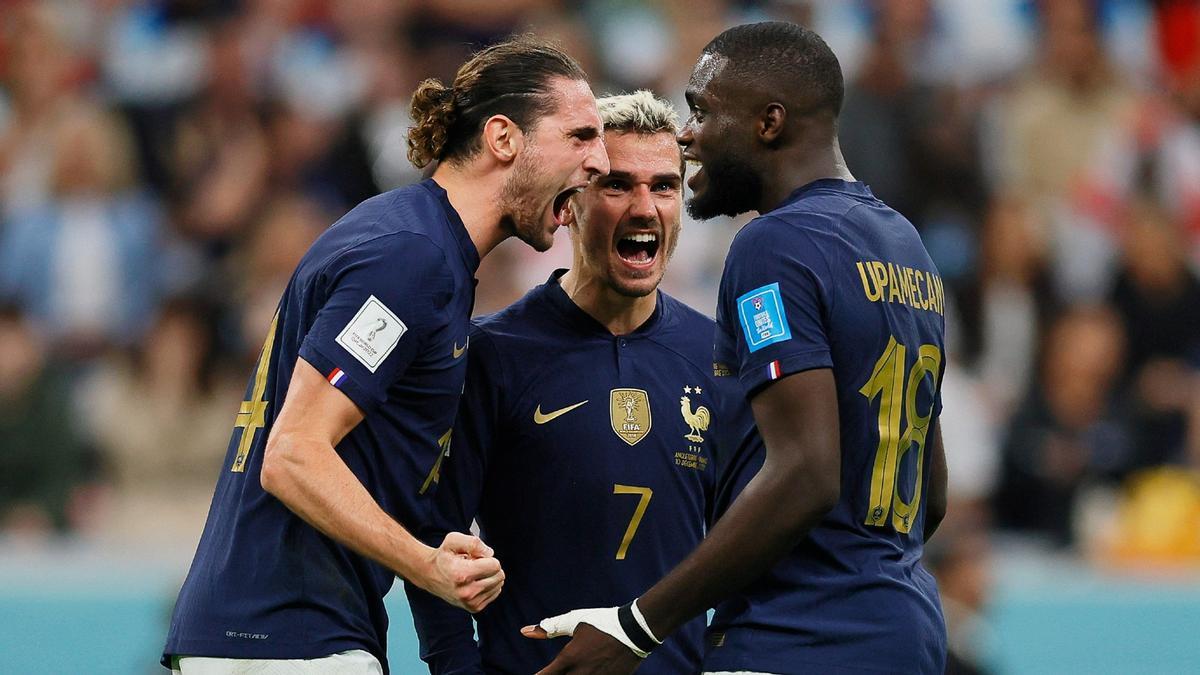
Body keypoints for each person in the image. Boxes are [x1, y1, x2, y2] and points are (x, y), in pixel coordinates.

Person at [161, 36, 609, 675]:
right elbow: (292, 455)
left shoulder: (420, 244)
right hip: (289, 637)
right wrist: (425, 565)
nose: (598, 161)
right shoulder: (412, 258)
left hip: (276, 631)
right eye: (581, 136)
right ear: (504, 138)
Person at [527, 22, 950, 675]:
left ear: (768, 122)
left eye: (701, 109)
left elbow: (806, 471)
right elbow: (933, 489)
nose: (687, 136)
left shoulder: (775, 246)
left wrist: (639, 625)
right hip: (906, 632)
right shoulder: (904, 246)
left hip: (797, 638)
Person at [406, 90, 756, 675]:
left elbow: (747, 548)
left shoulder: (718, 357)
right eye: (617, 184)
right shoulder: (493, 353)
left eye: (664, 186)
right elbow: (433, 542)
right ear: (569, 203)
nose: (644, 207)